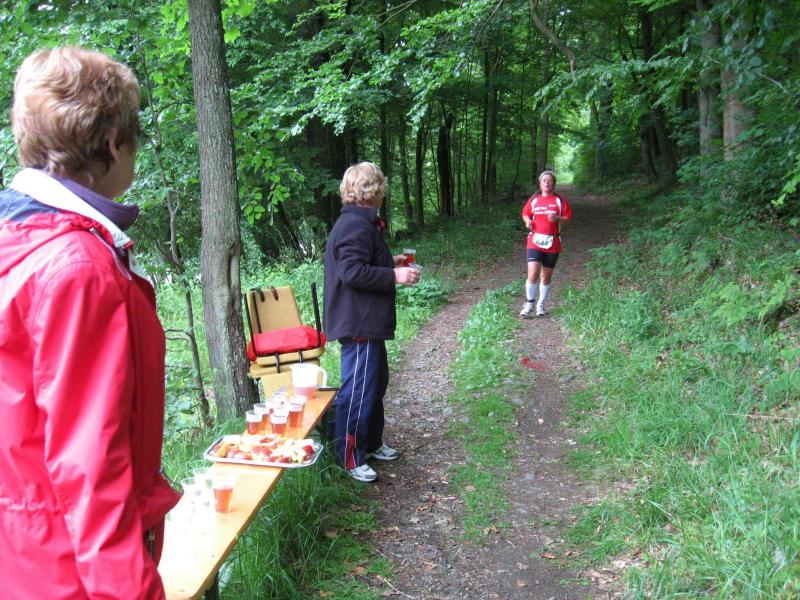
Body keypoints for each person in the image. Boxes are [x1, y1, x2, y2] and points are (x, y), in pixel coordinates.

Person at [0, 47, 180, 598]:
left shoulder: (17, 242)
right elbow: (92, 471)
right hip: (75, 574)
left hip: (25, 559)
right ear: (113, 143)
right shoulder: (77, 268)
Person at [323, 162, 420, 483]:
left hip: (368, 322)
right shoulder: (353, 225)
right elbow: (352, 273)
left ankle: (372, 443)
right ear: (372, 190)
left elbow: (362, 262)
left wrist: (389, 262)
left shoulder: (363, 222)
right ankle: (349, 457)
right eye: (380, 186)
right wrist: (394, 275)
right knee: (358, 390)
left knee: (375, 384)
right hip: (358, 323)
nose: (383, 192)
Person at [519, 170, 573, 317]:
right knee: (532, 274)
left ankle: (541, 305)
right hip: (534, 240)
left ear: (554, 183)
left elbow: (568, 218)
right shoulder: (534, 199)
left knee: (545, 277)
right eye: (544, 180)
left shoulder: (559, 200)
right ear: (540, 183)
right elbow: (525, 213)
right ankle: (529, 304)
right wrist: (528, 221)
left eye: (550, 180)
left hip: (553, 241)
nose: (547, 183)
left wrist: (558, 219)